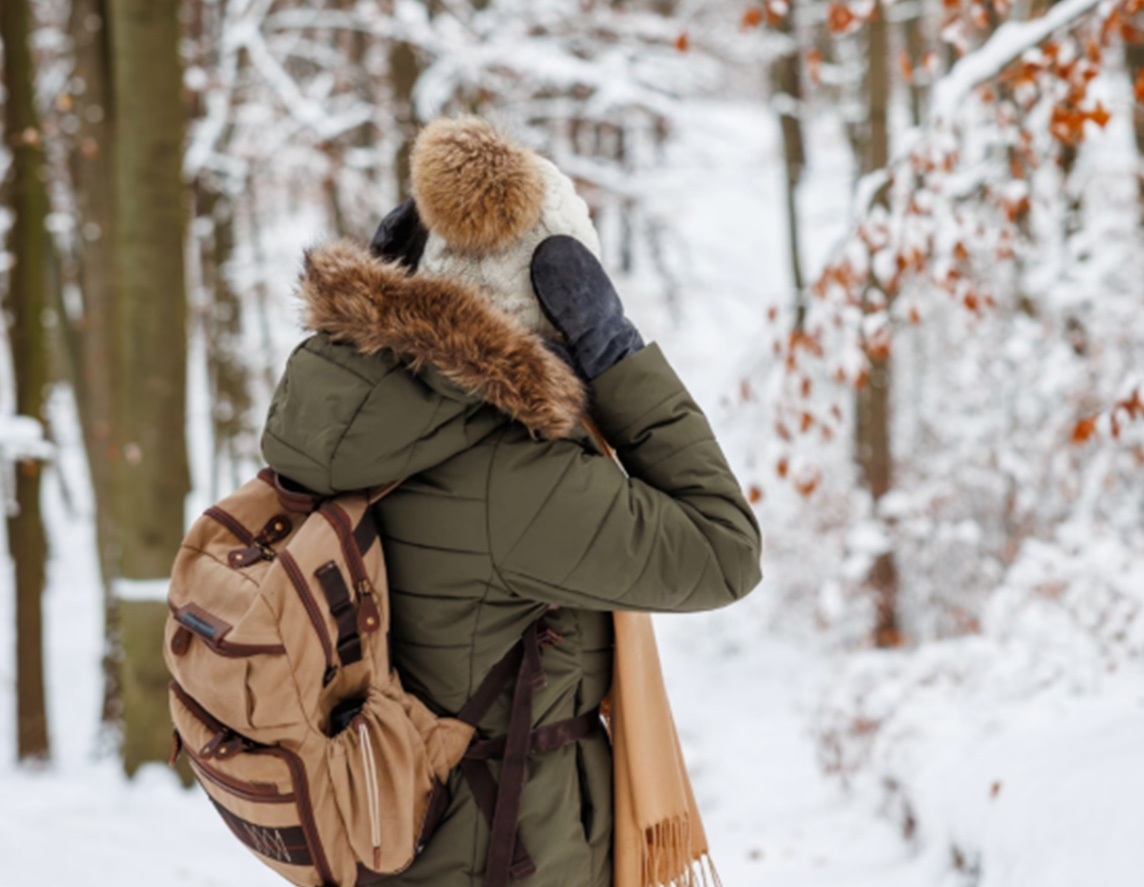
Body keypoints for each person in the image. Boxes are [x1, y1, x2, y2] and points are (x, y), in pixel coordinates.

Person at [261, 116, 762, 887]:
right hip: (507, 850)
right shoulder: (516, 478)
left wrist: (373, 306)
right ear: (554, 303)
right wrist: (619, 357)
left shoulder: (351, 421)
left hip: (397, 832)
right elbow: (726, 550)